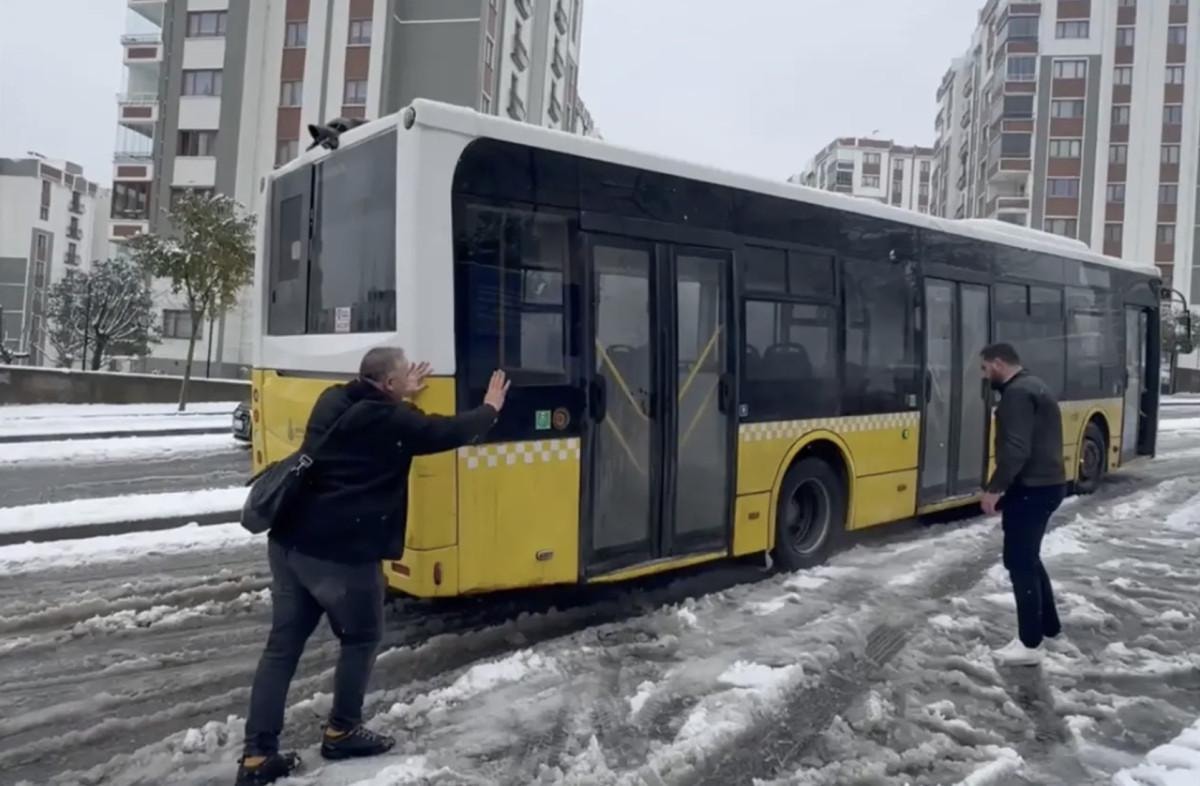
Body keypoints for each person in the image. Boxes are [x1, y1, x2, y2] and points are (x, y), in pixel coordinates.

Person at [235, 348, 509, 785]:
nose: (409, 380)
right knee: (361, 636)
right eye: (402, 377)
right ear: (389, 384)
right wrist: (490, 407)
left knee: (282, 649)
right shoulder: (393, 421)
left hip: (289, 542)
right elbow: (450, 431)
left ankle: (257, 756)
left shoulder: (332, 399)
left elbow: (373, 416)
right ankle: (342, 731)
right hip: (340, 553)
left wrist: (401, 394)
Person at [979, 342, 1068, 667]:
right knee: (1028, 557)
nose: (984, 375)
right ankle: (1049, 627)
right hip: (1048, 484)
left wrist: (995, 489)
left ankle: (1030, 644)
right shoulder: (1035, 384)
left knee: (1018, 561)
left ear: (998, 363)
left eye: (985, 368)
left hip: (1031, 488)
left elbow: (1016, 449)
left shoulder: (1016, 394)